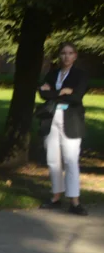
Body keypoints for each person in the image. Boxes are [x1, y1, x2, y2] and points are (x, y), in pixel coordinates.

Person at [39, 42, 89, 216]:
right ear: (59, 56)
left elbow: (76, 97)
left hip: (71, 120)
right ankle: (56, 196)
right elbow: (42, 93)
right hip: (51, 119)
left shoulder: (80, 75)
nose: (66, 56)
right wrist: (62, 92)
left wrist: (54, 93)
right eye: (63, 53)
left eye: (70, 53)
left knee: (71, 160)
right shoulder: (53, 73)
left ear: (75, 56)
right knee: (53, 160)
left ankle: (74, 201)